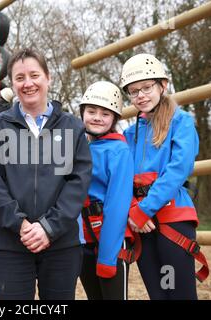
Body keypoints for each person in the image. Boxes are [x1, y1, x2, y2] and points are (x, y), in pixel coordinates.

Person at [0, 48, 92, 300]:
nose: (28, 83)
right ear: (12, 83)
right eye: (20, 78)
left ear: (48, 77)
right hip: (9, 244)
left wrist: (48, 227)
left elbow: (78, 183)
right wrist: (20, 225)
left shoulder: (73, 127)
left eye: (34, 75)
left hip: (61, 243)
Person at [120, 53, 209, 300]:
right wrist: (132, 208)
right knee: (158, 295)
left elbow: (177, 170)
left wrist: (143, 209)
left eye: (147, 87)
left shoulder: (181, 122)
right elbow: (120, 179)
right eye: (133, 91)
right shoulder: (129, 135)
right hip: (141, 222)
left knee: (177, 295)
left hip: (172, 217)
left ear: (163, 85)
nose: (141, 95)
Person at [78, 81, 138, 300]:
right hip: (83, 237)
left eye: (105, 114)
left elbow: (117, 206)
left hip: (109, 238)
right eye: (91, 111)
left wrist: (107, 258)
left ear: (114, 119)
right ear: (82, 112)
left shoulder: (118, 150)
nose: (97, 117)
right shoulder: (79, 148)